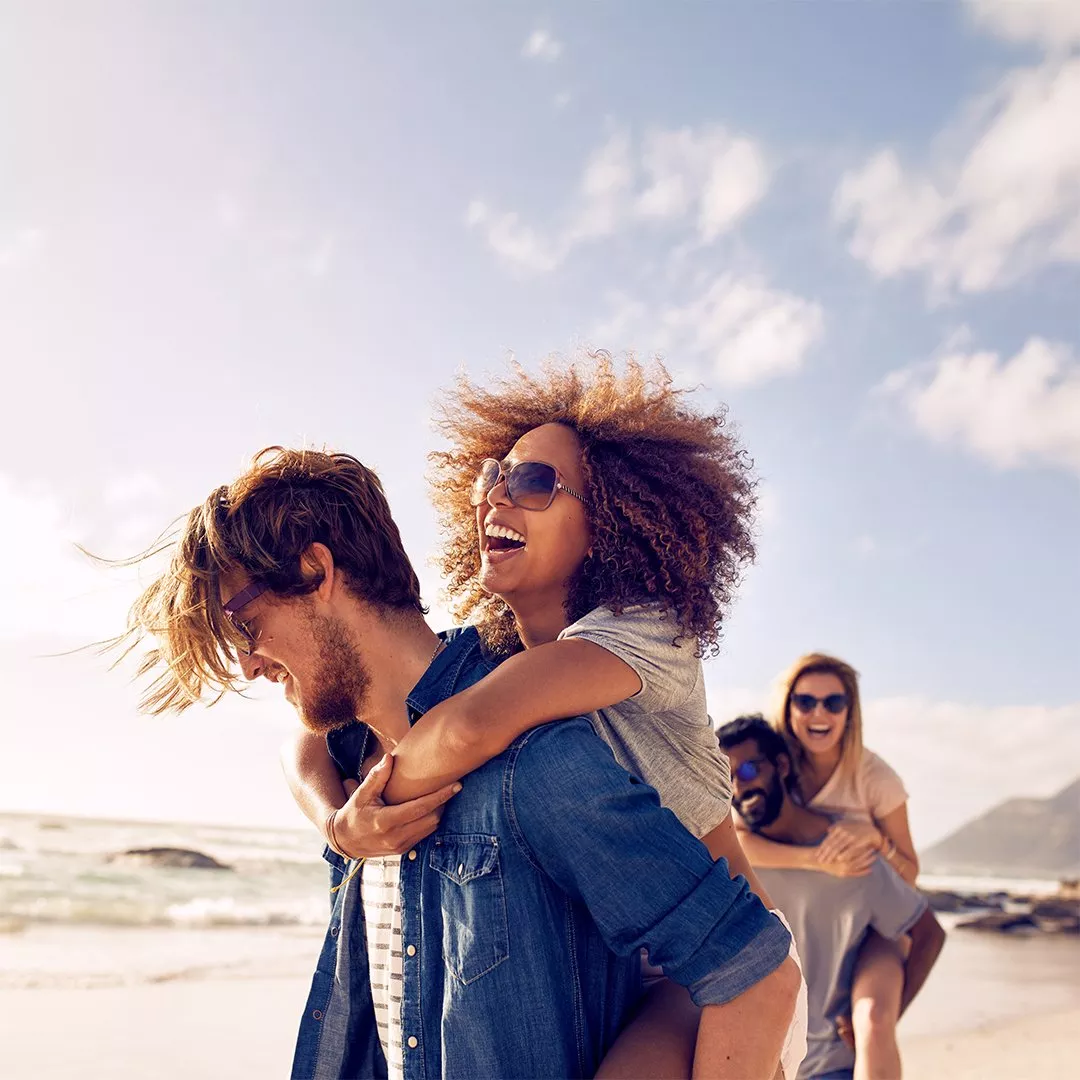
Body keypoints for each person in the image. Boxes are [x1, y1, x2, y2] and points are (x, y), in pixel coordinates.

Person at [116, 443, 800, 1080]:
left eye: (245, 626)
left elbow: (753, 969)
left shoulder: (534, 756)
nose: (247, 665)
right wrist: (336, 825)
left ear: (316, 571)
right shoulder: (353, 763)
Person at [285, 355, 807, 1077]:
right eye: (491, 476)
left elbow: (467, 729)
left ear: (610, 527)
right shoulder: (496, 653)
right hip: (619, 966)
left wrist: (376, 810)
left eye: (532, 482)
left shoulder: (646, 634)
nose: (496, 497)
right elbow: (313, 741)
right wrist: (334, 822)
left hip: (715, 973)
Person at [719, 714, 944, 1080]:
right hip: (758, 1065)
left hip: (830, 1066)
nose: (739, 789)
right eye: (725, 777)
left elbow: (929, 934)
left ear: (781, 765)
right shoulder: (736, 857)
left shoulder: (851, 856)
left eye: (747, 771)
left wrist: (885, 1020)